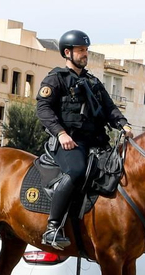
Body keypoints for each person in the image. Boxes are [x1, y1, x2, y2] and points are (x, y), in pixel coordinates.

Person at [34, 30, 131, 250]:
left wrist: (124, 125)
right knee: (76, 171)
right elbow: (43, 109)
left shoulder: (93, 82)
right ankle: (53, 227)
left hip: (96, 142)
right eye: (81, 50)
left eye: (86, 50)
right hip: (69, 142)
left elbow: (109, 108)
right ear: (67, 52)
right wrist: (61, 133)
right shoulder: (56, 78)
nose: (85, 54)